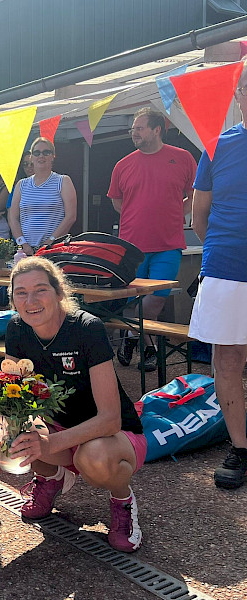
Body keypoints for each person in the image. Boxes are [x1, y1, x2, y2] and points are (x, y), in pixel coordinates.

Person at [0, 257, 146, 553]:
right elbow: (15, 400)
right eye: (21, 292)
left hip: (110, 437)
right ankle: (50, 478)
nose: (31, 300)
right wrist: (1, 427)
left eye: (40, 290)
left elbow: (110, 419)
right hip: (57, 430)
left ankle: (122, 501)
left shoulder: (86, 328)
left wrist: (48, 444)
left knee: (91, 459)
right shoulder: (17, 328)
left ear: (59, 292)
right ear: (13, 298)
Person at [188, 62, 247, 490]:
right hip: (227, 269)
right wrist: (224, 250)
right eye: (245, 89)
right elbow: (200, 215)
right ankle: (241, 448)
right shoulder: (216, 147)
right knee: (227, 359)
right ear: (238, 96)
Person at [108, 107, 196, 372]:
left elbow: (196, 194)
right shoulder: (123, 164)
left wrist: (175, 212)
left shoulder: (182, 158)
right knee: (129, 297)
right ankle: (147, 346)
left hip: (168, 244)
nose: (133, 132)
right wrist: (141, 214)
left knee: (155, 300)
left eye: (139, 128)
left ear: (157, 130)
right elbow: (116, 201)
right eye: (132, 128)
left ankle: (131, 335)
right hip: (132, 247)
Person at [8, 137, 77, 255]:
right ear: (31, 157)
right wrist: (22, 243)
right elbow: (12, 217)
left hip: (54, 249)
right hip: (26, 251)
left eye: (46, 152)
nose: (41, 156)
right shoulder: (21, 185)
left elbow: (70, 216)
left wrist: (49, 242)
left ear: (53, 156)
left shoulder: (63, 181)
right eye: (36, 153)